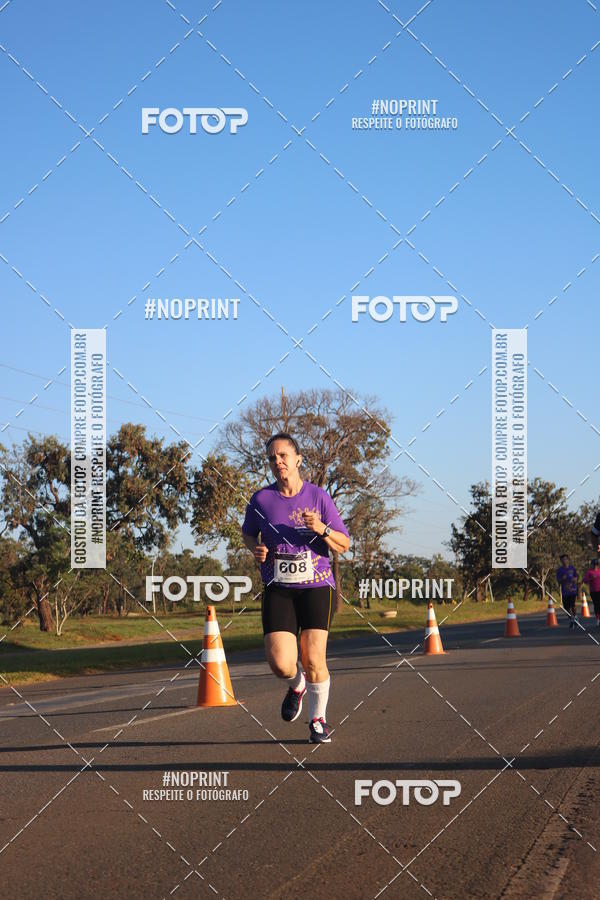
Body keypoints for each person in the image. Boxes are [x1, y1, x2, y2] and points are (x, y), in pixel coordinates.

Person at [241, 432, 350, 743]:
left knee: (314, 657)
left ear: (298, 459)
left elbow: (343, 544)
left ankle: (318, 720)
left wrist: (322, 528)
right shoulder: (261, 500)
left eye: (283, 456)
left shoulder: (319, 497)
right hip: (279, 586)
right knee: (280, 662)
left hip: (317, 586)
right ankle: (297, 685)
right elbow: (248, 534)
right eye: (272, 458)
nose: (278, 462)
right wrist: (255, 549)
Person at [556, 554, 579, 628]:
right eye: (563, 560)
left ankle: (575, 617)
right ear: (561, 561)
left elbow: (576, 577)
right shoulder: (560, 570)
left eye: (565, 559)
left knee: (573, 605)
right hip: (565, 591)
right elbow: (559, 581)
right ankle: (571, 619)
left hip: (573, 590)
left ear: (568, 560)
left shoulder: (572, 568)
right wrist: (563, 578)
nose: (564, 561)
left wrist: (575, 579)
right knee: (566, 607)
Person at [583, 559, 600, 628]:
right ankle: (598, 619)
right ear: (592, 565)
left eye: (596, 565)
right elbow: (585, 581)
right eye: (594, 565)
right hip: (594, 591)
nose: (595, 566)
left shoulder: (599, 571)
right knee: (597, 605)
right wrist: (591, 578)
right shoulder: (589, 572)